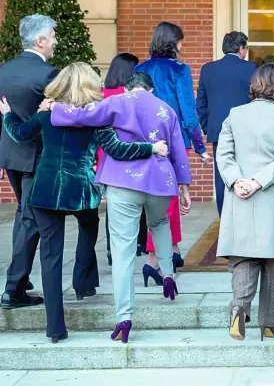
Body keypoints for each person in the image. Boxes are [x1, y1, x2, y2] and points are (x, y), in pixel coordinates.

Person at [0, 62, 164, 343]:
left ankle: (55, 329)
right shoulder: (97, 119)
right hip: (81, 189)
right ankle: (83, 280)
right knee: (89, 225)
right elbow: (117, 149)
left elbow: (20, 134)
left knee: (50, 258)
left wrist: (7, 115)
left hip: (46, 189)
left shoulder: (46, 116)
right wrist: (150, 147)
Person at [45, 72, 191, 343]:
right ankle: (168, 274)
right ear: (151, 88)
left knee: (123, 249)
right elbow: (178, 151)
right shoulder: (166, 109)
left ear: (128, 87)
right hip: (161, 181)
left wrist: (55, 107)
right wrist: (185, 187)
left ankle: (124, 317)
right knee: (159, 224)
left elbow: (82, 115)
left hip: (123, 182)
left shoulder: (118, 102)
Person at [215, 64, 274, 342]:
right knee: (271, 261)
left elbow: (223, 154)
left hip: (238, 194)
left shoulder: (234, 115)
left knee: (243, 256)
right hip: (270, 195)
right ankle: (268, 324)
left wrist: (237, 180)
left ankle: (239, 308)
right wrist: (257, 182)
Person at [136, 21, 208, 276]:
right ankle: (154, 261)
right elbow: (188, 112)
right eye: (180, 40)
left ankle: (174, 250)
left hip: (144, 142)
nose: (182, 45)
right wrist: (200, 146)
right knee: (166, 202)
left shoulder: (140, 68)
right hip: (172, 140)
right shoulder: (180, 69)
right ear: (172, 42)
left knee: (160, 199)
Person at [0, 14, 59, 310]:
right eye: (52, 36)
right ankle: (13, 289)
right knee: (30, 221)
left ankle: (19, 281)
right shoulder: (49, 74)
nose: (55, 41)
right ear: (40, 40)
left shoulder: (3, 71)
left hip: (10, 154)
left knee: (25, 217)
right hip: (37, 157)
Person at [197, 31, 257, 216]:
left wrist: (209, 127)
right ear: (241, 48)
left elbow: (201, 103)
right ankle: (243, 216)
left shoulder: (208, 69)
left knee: (222, 176)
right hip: (247, 131)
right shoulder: (252, 68)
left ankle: (225, 218)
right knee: (246, 173)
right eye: (246, 48)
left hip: (218, 131)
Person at [101, 53, 149, 266]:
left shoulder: (101, 94)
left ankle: (112, 249)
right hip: (130, 151)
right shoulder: (130, 96)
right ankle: (139, 242)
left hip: (106, 154)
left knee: (114, 203)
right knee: (139, 198)